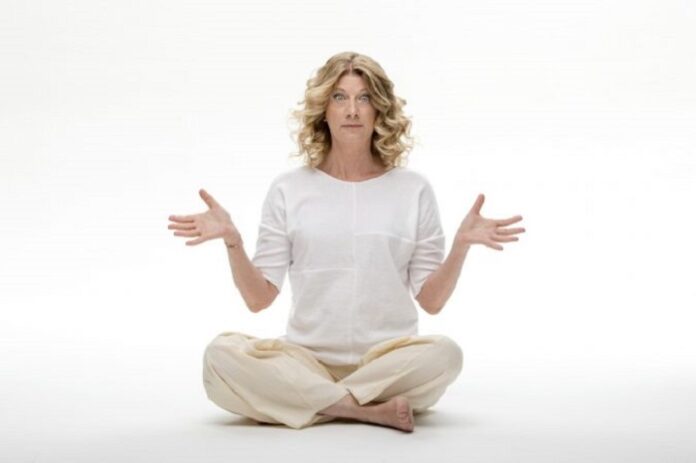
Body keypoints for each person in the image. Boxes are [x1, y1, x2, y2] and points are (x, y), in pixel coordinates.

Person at [167, 51, 525, 432]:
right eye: (340, 97)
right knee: (220, 356)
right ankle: (365, 410)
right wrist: (233, 242)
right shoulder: (289, 188)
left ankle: (307, 402)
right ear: (324, 109)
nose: (352, 110)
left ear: (379, 110)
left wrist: (460, 247)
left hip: (386, 362)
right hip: (306, 360)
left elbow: (432, 301)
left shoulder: (413, 189)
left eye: (364, 98)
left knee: (446, 355)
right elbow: (259, 299)